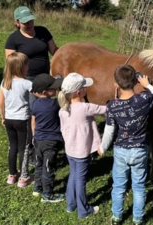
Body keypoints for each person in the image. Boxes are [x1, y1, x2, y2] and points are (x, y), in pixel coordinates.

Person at [97, 65, 153, 225]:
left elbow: (109, 130)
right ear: (136, 81)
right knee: (139, 187)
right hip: (140, 150)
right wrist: (148, 85)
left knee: (119, 187)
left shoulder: (112, 106)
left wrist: (103, 147)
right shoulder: (144, 99)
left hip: (121, 151)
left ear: (116, 85)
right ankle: (138, 219)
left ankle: (116, 217)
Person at [5, 6, 59, 166]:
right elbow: (10, 64)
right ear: (16, 22)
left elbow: (55, 51)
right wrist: (13, 82)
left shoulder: (43, 32)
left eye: (30, 20)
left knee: (49, 109)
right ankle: (32, 150)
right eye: (24, 22)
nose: (29, 24)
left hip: (45, 78)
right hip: (26, 80)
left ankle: (50, 141)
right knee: (32, 114)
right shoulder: (13, 39)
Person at [58, 72, 105, 218]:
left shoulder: (62, 110)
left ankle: (71, 204)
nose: (87, 89)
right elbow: (105, 110)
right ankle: (84, 209)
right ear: (79, 92)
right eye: (85, 87)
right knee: (80, 180)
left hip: (70, 151)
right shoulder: (85, 108)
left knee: (73, 175)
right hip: (82, 152)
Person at [0, 52, 33, 187]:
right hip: (23, 120)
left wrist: (3, 117)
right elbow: (40, 94)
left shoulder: (4, 82)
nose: (28, 66)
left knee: (12, 147)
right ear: (21, 67)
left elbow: (0, 103)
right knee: (24, 147)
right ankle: (23, 177)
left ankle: (12, 175)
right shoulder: (26, 83)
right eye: (27, 64)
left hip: (9, 120)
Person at [30, 73, 65, 202]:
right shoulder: (55, 105)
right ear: (45, 91)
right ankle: (47, 194)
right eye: (54, 88)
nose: (56, 90)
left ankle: (37, 188)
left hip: (38, 139)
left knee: (39, 165)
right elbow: (64, 102)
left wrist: (35, 136)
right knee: (48, 167)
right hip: (51, 141)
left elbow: (33, 122)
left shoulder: (34, 105)